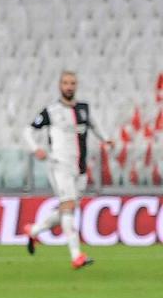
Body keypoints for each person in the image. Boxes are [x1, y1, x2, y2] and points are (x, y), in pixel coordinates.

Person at [23, 71, 111, 269]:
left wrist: (106, 139)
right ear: (60, 86)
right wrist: (35, 148)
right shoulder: (51, 111)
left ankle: (34, 230)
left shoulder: (84, 109)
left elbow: (95, 125)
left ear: (76, 85)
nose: (69, 86)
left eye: (72, 83)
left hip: (79, 169)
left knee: (67, 210)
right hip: (59, 165)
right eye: (65, 83)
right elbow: (27, 130)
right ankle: (76, 255)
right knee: (69, 206)